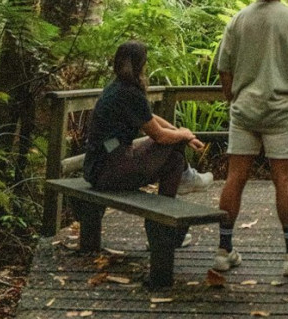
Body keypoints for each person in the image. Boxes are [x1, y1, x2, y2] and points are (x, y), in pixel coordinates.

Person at [214, 0, 288, 277]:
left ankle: (224, 249)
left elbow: (224, 68)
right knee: (283, 180)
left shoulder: (238, 21)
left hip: (245, 110)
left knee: (235, 178)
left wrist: (233, 98)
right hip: (281, 110)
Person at [83, 41, 212, 242]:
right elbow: (159, 136)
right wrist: (184, 136)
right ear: (140, 65)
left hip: (98, 167)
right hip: (109, 171)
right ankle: (184, 186)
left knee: (174, 162)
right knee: (172, 144)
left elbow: (149, 118)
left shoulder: (117, 88)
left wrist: (180, 132)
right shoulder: (130, 92)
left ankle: (165, 235)